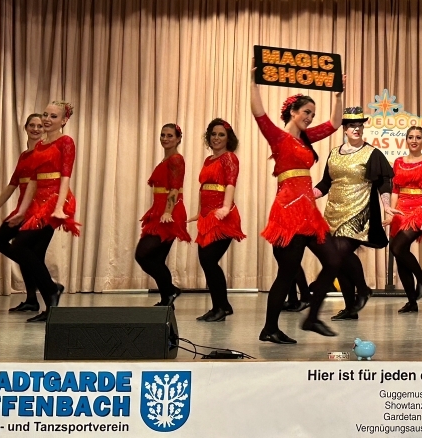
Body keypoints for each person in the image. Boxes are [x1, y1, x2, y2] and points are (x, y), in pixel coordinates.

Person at [251, 69, 345, 345]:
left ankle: (312, 317)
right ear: (292, 112)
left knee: (334, 260)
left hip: (308, 213)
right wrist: (253, 83)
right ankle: (270, 328)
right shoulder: (278, 138)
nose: (310, 117)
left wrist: (338, 97)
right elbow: (259, 114)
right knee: (287, 274)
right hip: (288, 213)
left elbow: (334, 123)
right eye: (306, 112)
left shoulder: (306, 138)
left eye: (312, 114)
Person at [314, 107, 394, 320]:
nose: (356, 129)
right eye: (352, 126)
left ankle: (363, 289)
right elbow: (325, 184)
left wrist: (386, 205)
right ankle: (350, 308)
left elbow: (384, 182)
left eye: (360, 125)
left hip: (359, 210)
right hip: (333, 212)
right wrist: (306, 195)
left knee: (340, 251)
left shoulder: (372, 153)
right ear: (345, 129)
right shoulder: (334, 153)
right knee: (336, 259)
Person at [11, 100, 80, 323]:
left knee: (21, 245)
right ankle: (51, 298)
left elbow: (66, 176)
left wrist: (58, 207)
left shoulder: (66, 142)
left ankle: (50, 290)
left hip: (55, 201)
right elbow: (32, 181)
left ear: (64, 120)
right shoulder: (40, 145)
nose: (47, 120)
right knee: (33, 252)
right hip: (38, 202)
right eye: (46, 115)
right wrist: (22, 211)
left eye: (53, 116)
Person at [0, 113, 45, 313]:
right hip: (21, 210)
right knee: (1, 242)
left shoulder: (46, 152)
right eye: (32, 125)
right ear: (25, 127)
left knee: (28, 252)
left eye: (40, 126)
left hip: (38, 211)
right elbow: (12, 184)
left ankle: (43, 292)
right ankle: (32, 298)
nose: (36, 129)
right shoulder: (24, 156)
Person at [188, 119, 245, 322]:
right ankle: (224, 306)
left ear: (228, 138)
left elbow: (230, 184)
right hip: (207, 217)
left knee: (209, 260)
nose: (216, 138)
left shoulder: (229, 158)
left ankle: (219, 308)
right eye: (213, 134)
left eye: (221, 134)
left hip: (223, 217)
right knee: (206, 260)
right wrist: (199, 213)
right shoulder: (208, 160)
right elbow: (203, 188)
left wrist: (226, 207)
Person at [134, 124, 190, 307]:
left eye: (170, 136)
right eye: (163, 135)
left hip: (169, 212)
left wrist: (167, 211)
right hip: (160, 210)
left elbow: (174, 188)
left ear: (178, 139)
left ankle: (170, 291)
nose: (165, 138)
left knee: (143, 255)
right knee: (156, 259)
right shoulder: (167, 160)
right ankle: (168, 297)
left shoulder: (176, 159)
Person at [388, 126, 422, 314]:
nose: (414, 140)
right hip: (400, 210)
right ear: (406, 140)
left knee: (397, 248)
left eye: (418, 137)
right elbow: (395, 190)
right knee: (400, 256)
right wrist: (391, 214)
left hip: (419, 210)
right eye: (411, 137)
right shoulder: (398, 162)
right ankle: (411, 302)